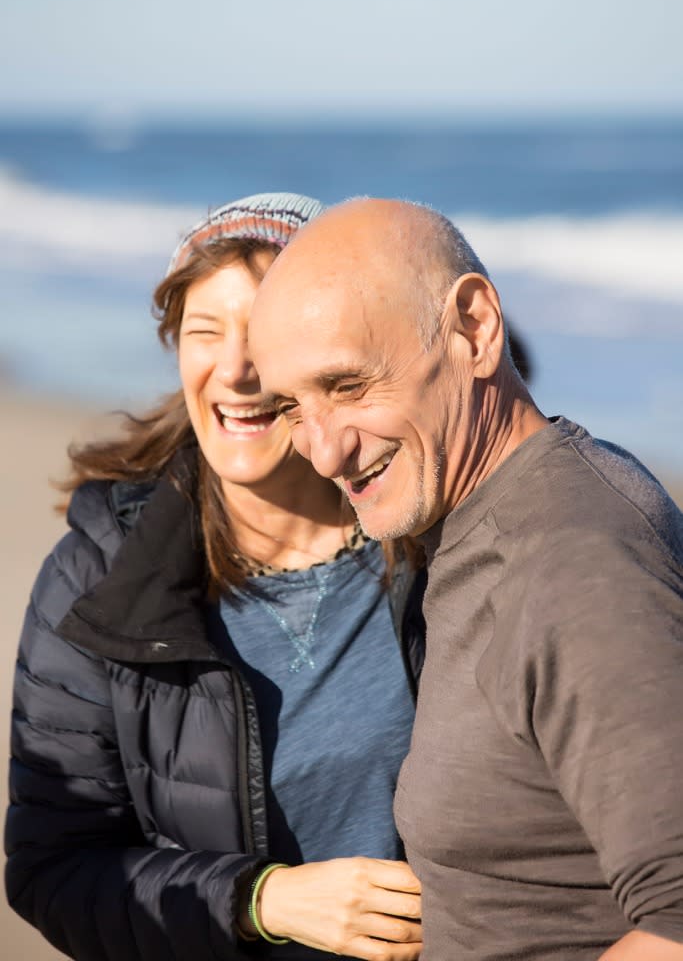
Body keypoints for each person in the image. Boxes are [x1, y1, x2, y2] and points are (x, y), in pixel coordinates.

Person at [248, 197, 683, 961]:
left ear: (475, 328)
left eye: (348, 385)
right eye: (290, 405)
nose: (321, 453)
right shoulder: (469, 518)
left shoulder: (574, 563)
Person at [4, 193, 426, 961]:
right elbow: (53, 868)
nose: (233, 370)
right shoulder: (99, 575)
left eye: (263, 333)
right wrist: (261, 899)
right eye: (204, 333)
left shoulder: (426, 538)